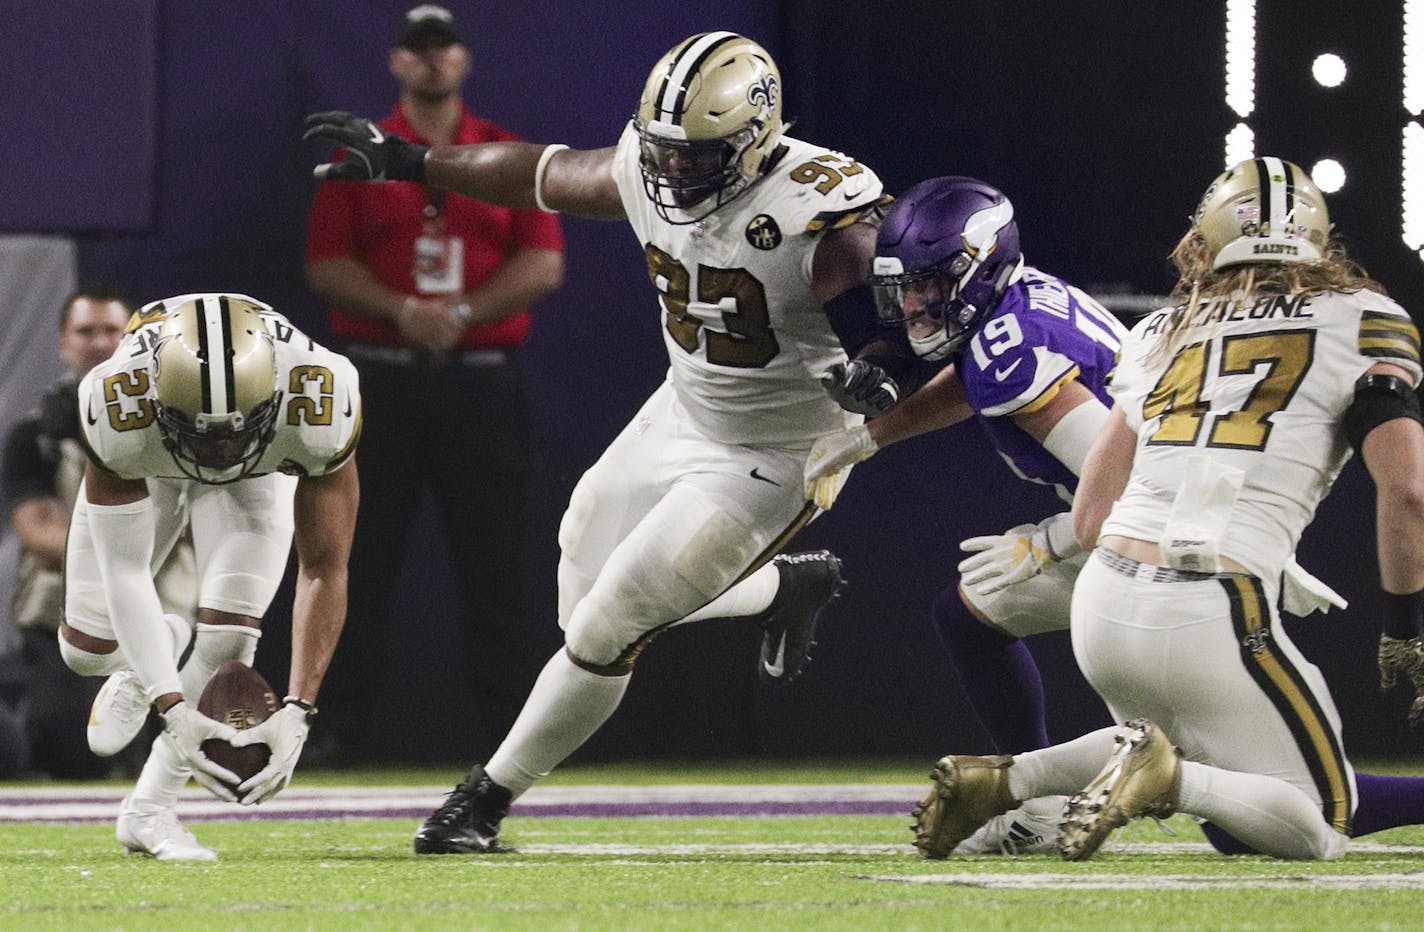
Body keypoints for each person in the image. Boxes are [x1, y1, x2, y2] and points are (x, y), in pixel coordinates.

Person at [304, 30, 883, 854]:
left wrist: (877, 360)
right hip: (685, 409)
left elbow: (881, 306)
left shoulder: (820, 205)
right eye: (667, 151)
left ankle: (484, 800)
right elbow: (541, 173)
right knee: (584, 593)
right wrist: (409, 161)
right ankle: (783, 589)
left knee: (610, 625)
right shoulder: (655, 164)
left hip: (782, 449)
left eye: (699, 155)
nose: (676, 171)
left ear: (757, 137)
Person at [909, 157, 1424, 861]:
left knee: (1235, 815)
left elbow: (1092, 515)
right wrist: (1407, 627)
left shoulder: (1161, 331)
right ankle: (1165, 780)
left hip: (1104, 600)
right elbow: (1408, 490)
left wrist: (1050, 544)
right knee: (1320, 822)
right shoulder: (1367, 320)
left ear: (1205, 239)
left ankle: (1013, 780)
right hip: (1215, 597)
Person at [803, 176, 1129, 854]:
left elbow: (1137, 488)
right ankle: (1038, 806)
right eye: (908, 288)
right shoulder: (1012, 306)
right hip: (1159, 528)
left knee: (1233, 785)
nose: (918, 305)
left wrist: (1052, 542)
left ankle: (1035, 793)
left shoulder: (1011, 348)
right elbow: (975, 380)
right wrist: (869, 438)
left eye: (933, 285)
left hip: (1167, 542)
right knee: (969, 611)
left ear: (980, 268)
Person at [304, 4, 565, 760]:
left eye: (442, 46)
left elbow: (543, 262)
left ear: (462, 60)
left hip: (479, 380)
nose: (430, 60)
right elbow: (326, 263)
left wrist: (458, 310)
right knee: (354, 555)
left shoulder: (504, 153)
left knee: (498, 566)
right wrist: (402, 311)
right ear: (397, 62)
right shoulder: (363, 154)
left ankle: (517, 739)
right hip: (380, 378)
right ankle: (330, 729)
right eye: (416, 49)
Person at [60, 293, 360, 860]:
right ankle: (158, 648)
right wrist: (172, 706)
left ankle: (149, 813)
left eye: (231, 432)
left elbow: (324, 567)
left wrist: (299, 709)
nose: (218, 452)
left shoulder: (321, 395)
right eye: (201, 433)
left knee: (230, 641)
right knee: (87, 650)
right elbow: (127, 573)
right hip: (154, 458)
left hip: (263, 466)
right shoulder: (116, 401)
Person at [2, 288, 196, 779]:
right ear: (64, 343)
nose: (99, 343)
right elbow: (39, 534)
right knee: (72, 750)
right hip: (67, 617)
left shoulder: (185, 422)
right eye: (86, 332)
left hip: (169, 614)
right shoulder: (38, 434)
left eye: (112, 330)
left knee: (189, 751)